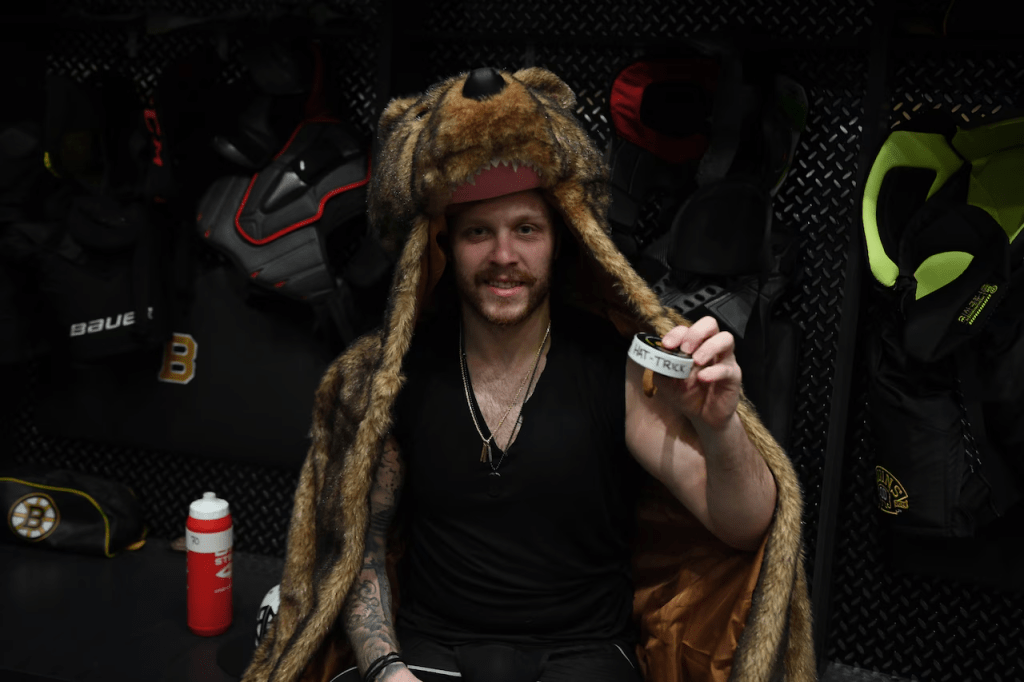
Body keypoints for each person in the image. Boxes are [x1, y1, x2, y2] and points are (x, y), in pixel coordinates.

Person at [242, 67, 813, 682]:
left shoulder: (613, 366)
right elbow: (363, 547)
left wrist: (722, 428)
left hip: (583, 657)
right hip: (433, 655)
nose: (504, 256)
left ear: (558, 241)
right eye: (478, 233)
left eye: (525, 230)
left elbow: (745, 526)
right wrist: (386, 668)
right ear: (445, 246)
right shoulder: (400, 377)